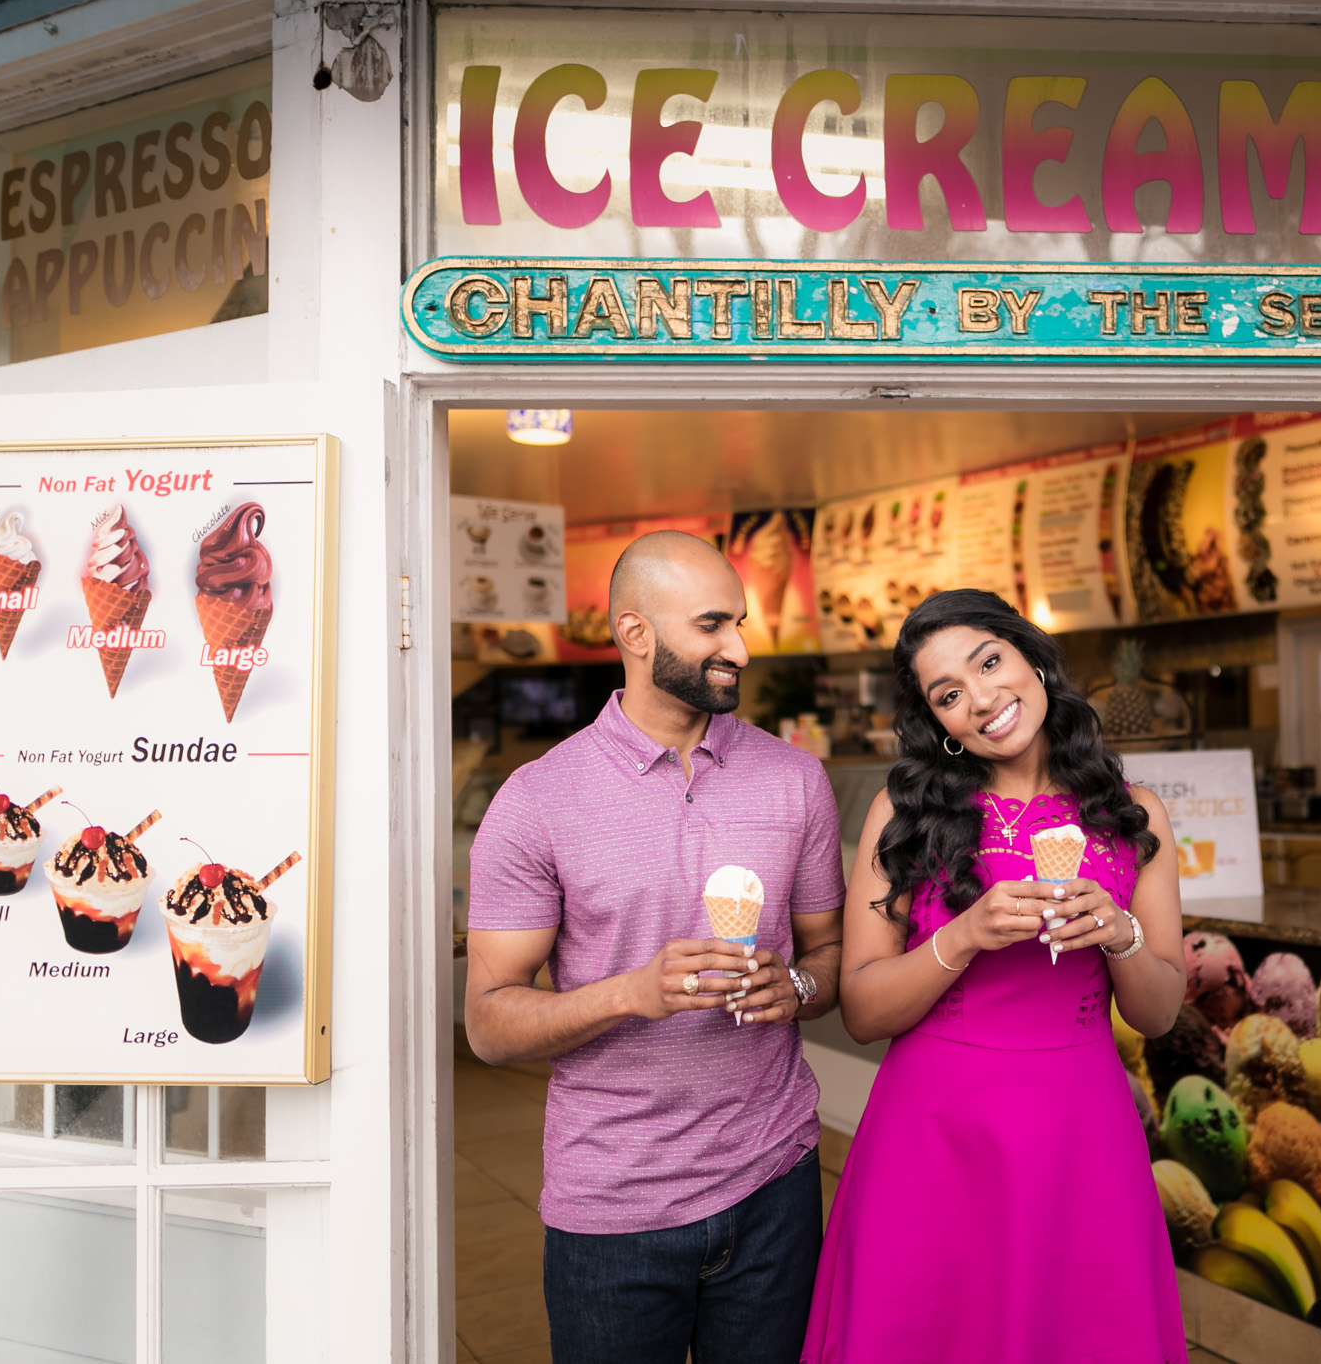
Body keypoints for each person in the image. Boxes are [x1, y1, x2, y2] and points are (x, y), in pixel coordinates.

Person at [464, 530, 845, 1364]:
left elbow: (830, 952)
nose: (739, 647)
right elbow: (489, 1022)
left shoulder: (796, 780)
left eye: (740, 623)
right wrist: (631, 992)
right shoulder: (538, 800)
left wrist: (803, 988)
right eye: (713, 624)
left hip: (774, 1182)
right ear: (637, 634)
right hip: (612, 1205)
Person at [804, 588, 1189, 1363]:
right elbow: (863, 1010)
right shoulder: (904, 811)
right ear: (936, 721)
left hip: (1081, 1136)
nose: (982, 699)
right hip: (932, 1135)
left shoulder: (1132, 815)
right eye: (949, 693)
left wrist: (1120, 935)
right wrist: (965, 936)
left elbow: (1160, 1013)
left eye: (990, 661)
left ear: (1033, 657)